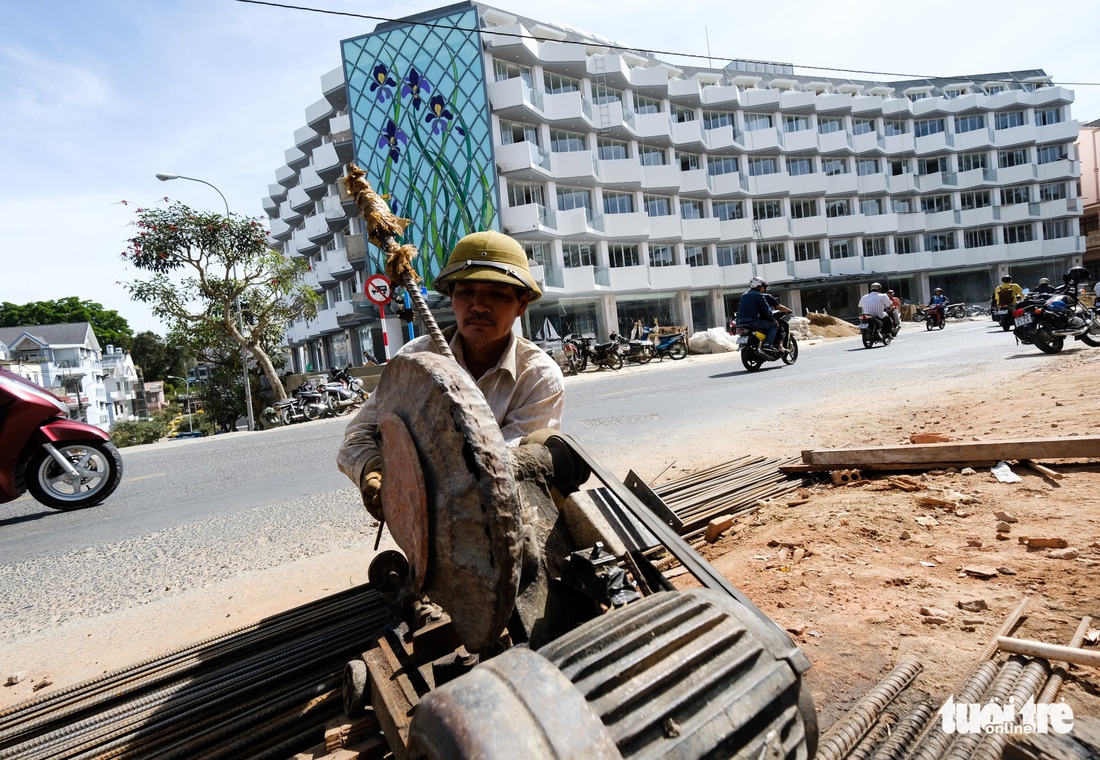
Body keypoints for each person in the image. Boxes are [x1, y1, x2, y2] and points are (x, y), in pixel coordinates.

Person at [337, 231, 565, 518]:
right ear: (451, 298)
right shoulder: (415, 359)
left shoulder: (539, 376)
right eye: (466, 292)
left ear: (521, 305)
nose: (479, 306)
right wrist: (373, 470)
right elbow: (357, 437)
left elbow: (498, 467)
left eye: (496, 294)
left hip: (505, 518)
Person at [736, 277, 780, 352]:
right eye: (763, 287)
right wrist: (773, 319)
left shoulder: (743, 295)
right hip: (752, 321)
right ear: (758, 287)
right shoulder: (759, 295)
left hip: (740, 323)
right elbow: (767, 310)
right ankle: (768, 344)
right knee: (773, 326)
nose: (764, 289)